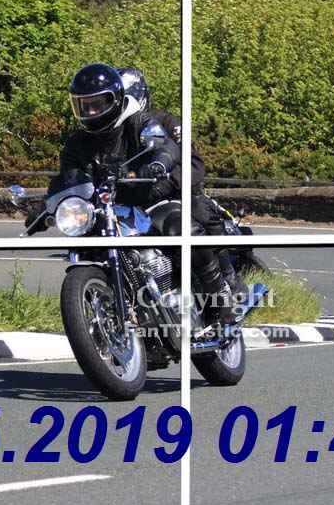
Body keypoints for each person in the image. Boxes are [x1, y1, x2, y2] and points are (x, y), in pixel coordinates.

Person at [28, 63, 242, 325]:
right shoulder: (77, 142)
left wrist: (161, 168)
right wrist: (49, 204)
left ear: (117, 99)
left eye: (98, 104)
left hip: (154, 197)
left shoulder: (143, 122)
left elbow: (168, 149)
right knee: (84, 242)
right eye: (85, 105)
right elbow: (69, 177)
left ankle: (221, 298)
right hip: (110, 206)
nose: (91, 111)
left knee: (181, 226)